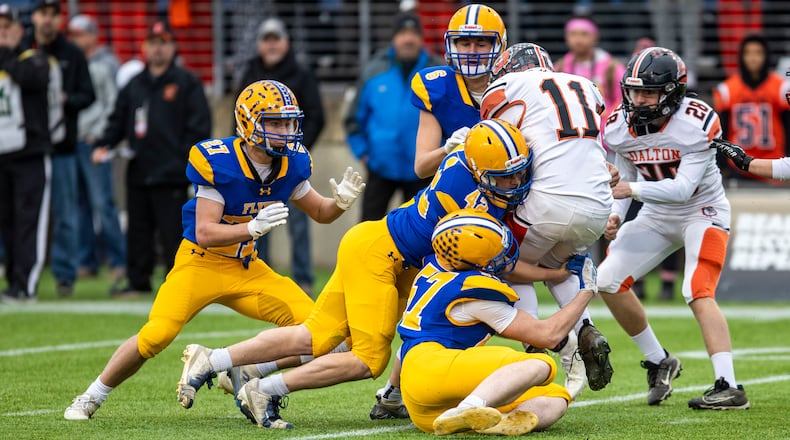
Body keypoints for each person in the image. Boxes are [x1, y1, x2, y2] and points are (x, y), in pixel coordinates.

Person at [176, 119, 572, 429]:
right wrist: (552, 275)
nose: (515, 184)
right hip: (384, 257)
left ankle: (213, 359)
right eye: (505, 177)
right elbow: (496, 259)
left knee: (315, 336)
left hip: (376, 245)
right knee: (365, 359)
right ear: (479, 170)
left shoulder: (467, 164)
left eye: (518, 174)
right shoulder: (467, 203)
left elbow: (457, 160)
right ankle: (264, 388)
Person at [63, 79, 366, 421]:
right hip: (200, 265)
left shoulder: (292, 163)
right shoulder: (221, 162)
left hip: (247, 269)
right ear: (248, 123)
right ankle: (90, 396)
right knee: (155, 335)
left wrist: (340, 203)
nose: (285, 131)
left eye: (288, 122)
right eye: (275, 122)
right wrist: (250, 228)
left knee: (319, 332)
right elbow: (205, 232)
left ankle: (247, 370)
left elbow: (321, 212)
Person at [599, 47, 750, 409]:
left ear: (673, 92)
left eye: (649, 92)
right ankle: (658, 360)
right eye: (635, 91)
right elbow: (625, 174)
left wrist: (629, 192)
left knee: (697, 288)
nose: (639, 99)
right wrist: (616, 214)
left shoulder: (694, 122)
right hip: (656, 213)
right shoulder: (619, 125)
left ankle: (729, 385)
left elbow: (681, 188)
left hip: (702, 210)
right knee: (606, 280)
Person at [481, 42, 615, 398]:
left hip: (548, 201)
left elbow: (497, 145)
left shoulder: (508, 87)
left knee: (506, 263)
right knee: (557, 264)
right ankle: (585, 327)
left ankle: (534, 347)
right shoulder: (586, 86)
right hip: (599, 203)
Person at [400, 209, 598, 435]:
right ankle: (469, 408)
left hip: (422, 399)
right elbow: (547, 335)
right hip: (434, 366)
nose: (503, 260)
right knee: (542, 365)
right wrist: (586, 292)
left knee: (556, 398)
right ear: (472, 259)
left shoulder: (434, 269)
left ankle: (496, 422)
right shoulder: (474, 294)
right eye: (495, 256)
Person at [91, 21, 211, 297]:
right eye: (153, 43)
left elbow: (199, 128)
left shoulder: (186, 83)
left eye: (163, 43)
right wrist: (104, 143)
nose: (157, 49)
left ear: (172, 47)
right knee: (138, 231)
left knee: (173, 233)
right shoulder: (135, 85)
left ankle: (178, 284)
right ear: (144, 47)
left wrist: (184, 161)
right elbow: (118, 120)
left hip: (171, 173)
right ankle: (138, 281)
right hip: (140, 170)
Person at [237, 17, 325, 295]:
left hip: (287, 164)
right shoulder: (249, 72)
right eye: (267, 39)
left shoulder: (301, 73)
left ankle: (303, 278)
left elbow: (316, 115)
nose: (272, 44)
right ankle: (254, 276)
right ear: (260, 44)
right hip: (254, 163)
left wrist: (292, 148)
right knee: (255, 221)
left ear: (286, 43)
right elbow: (239, 117)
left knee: (298, 222)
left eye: (277, 39)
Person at [26, 0, 95, 296]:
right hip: (26, 149)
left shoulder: (72, 54)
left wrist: (67, 99)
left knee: (65, 215)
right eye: (43, 13)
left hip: (62, 148)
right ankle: (21, 272)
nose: (48, 20)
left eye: (54, 14)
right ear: (34, 17)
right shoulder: (21, 50)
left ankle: (65, 276)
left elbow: (88, 95)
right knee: (22, 213)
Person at [345, 12, 442, 221]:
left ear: (421, 38)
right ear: (394, 38)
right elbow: (353, 120)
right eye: (403, 33)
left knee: (419, 234)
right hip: (380, 167)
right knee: (367, 229)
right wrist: (363, 153)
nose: (408, 39)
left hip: (422, 171)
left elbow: (450, 118)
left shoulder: (436, 72)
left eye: (414, 33)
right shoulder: (373, 70)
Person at [411, 3, 506, 179]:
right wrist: (448, 149)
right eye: (464, 43)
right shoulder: (437, 87)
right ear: (452, 45)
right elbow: (421, 167)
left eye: (481, 43)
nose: (472, 52)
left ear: (499, 46)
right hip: (461, 186)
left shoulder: (514, 85)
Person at [67, 14, 126, 286]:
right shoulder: (71, 62)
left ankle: (117, 261)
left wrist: (101, 137)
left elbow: (114, 104)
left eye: (80, 34)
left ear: (93, 36)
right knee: (79, 206)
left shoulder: (106, 64)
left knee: (103, 204)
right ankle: (86, 261)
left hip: (93, 142)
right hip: (72, 141)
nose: (75, 39)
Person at [0, 3, 52, 303]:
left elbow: (32, 78)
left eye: (8, 27)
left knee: (28, 221)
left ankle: (26, 284)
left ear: (20, 30)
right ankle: (12, 281)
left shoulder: (33, 59)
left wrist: (7, 52)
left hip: (29, 154)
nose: (3, 33)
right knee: (7, 221)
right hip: (3, 155)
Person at [713, 34, 790, 182]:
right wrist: (723, 167)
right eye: (748, 53)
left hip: (773, 164)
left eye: (758, 53)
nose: (753, 58)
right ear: (741, 57)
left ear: (766, 56)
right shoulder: (728, 89)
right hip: (738, 166)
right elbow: (722, 131)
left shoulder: (781, 87)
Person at [554, 14, 625, 120]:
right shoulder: (559, 68)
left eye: (584, 34)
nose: (578, 40)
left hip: (605, 133)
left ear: (595, 36)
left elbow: (622, 100)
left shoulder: (612, 67)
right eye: (573, 34)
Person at [714, 137, 790, 181]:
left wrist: (744, 161)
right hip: (739, 173)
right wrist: (744, 162)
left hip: (771, 157)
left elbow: (786, 168)